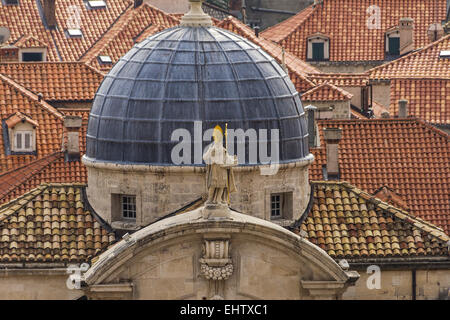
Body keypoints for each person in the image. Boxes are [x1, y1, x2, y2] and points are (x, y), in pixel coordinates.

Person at [203, 125, 237, 205]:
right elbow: (205, 157)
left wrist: (233, 160)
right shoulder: (212, 148)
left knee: (222, 185)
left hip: (222, 168)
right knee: (213, 185)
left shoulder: (223, 149)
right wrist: (211, 154)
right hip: (215, 168)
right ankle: (210, 199)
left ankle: (218, 199)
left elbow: (227, 159)